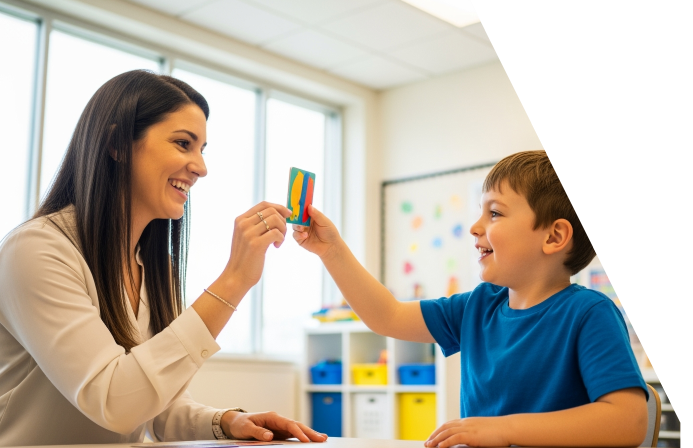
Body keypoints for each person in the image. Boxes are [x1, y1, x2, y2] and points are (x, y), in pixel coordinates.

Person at [0, 70, 327, 446]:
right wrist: (234, 280)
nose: (201, 168)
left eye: (201, 149)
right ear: (117, 145)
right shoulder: (37, 250)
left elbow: (153, 406)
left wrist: (229, 422)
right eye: (183, 143)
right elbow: (112, 402)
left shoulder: (158, 270)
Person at [294, 150, 648, 447]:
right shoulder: (479, 305)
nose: (475, 227)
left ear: (554, 236)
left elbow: (628, 421)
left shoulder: (590, 313)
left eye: (494, 213)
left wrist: (503, 429)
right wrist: (332, 251)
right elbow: (387, 316)